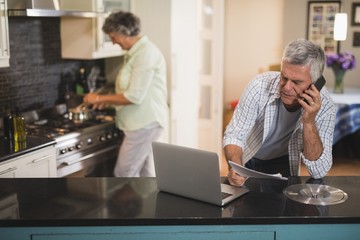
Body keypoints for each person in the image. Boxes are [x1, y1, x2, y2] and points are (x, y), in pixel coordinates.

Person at [224, 39, 336, 186]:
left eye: (296, 82)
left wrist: (309, 121)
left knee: (284, 208)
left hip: (285, 162)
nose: (286, 88)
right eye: (284, 77)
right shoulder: (258, 86)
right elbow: (235, 135)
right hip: (248, 159)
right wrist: (235, 167)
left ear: (314, 83)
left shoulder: (326, 106)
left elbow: (319, 171)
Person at [84, 11, 168, 177]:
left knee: (123, 175)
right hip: (142, 123)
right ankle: (147, 204)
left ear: (123, 33)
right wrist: (108, 102)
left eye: (112, 36)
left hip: (144, 124)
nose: (113, 42)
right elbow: (130, 91)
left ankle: (124, 204)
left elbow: (133, 96)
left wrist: (99, 98)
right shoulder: (135, 53)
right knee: (146, 176)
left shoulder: (144, 54)